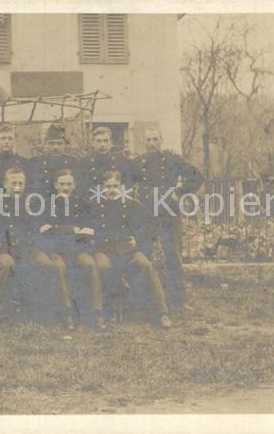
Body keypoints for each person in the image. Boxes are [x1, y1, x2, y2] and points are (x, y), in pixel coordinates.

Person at [0, 167, 75, 331]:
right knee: (6, 264)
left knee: (50, 265)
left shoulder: (34, 204)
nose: (17, 186)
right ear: (5, 184)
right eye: (13, 183)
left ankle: (62, 313)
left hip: (30, 249)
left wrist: (47, 249)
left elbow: (42, 229)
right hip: (4, 250)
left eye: (21, 183)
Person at [91, 170, 172, 328]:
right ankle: (108, 311)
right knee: (103, 267)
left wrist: (138, 239)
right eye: (108, 186)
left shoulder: (133, 205)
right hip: (104, 249)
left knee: (145, 266)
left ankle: (161, 313)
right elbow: (88, 229)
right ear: (102, 188)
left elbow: (150, 229)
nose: (112, 190)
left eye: (115, 186)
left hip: (128, 249)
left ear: (121, 186)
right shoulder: (95, 207)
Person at [132, 129, 204, 309]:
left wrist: (179, 193)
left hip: (169, 213)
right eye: (149, 139)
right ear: (144, 142)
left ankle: (179, 300)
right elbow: (124, 183)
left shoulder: (172, 159)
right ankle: (144, 300)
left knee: (173, 256)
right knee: (144, 255)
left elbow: (198, 176)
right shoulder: (137, 163)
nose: (152, 143)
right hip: (146, 214)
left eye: (155, 139)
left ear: (161, 141)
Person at [37, 169, 106, 330]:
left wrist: (60, 230)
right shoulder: (46, 204)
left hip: (78, 249)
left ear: (74, 185)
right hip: (56, 250)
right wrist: (72, 230)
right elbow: (45, 231)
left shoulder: (84, 204)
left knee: (89, 264)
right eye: (62, 184)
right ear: (55, 185)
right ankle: (66, 313)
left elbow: (88, 231)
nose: (65, 187)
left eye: (69, 184)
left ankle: (96, 313)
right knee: (59, 267)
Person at [79, 126, 134, 196]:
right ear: (93, 142)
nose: (102, 144)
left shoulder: (121, 160)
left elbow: (127, 183)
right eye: (99, 141)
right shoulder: (84, 162)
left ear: (111, 142)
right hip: (93, 202)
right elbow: (82, 187)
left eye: (105, 141)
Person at [29, 124, 79, 194]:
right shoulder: (36, 161)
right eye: (52, 144)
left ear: (64, 144)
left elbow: (77, 187)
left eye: (59, 144)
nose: (56, 147)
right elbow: (32, 187)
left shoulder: (73, 161)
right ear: (46, 144)